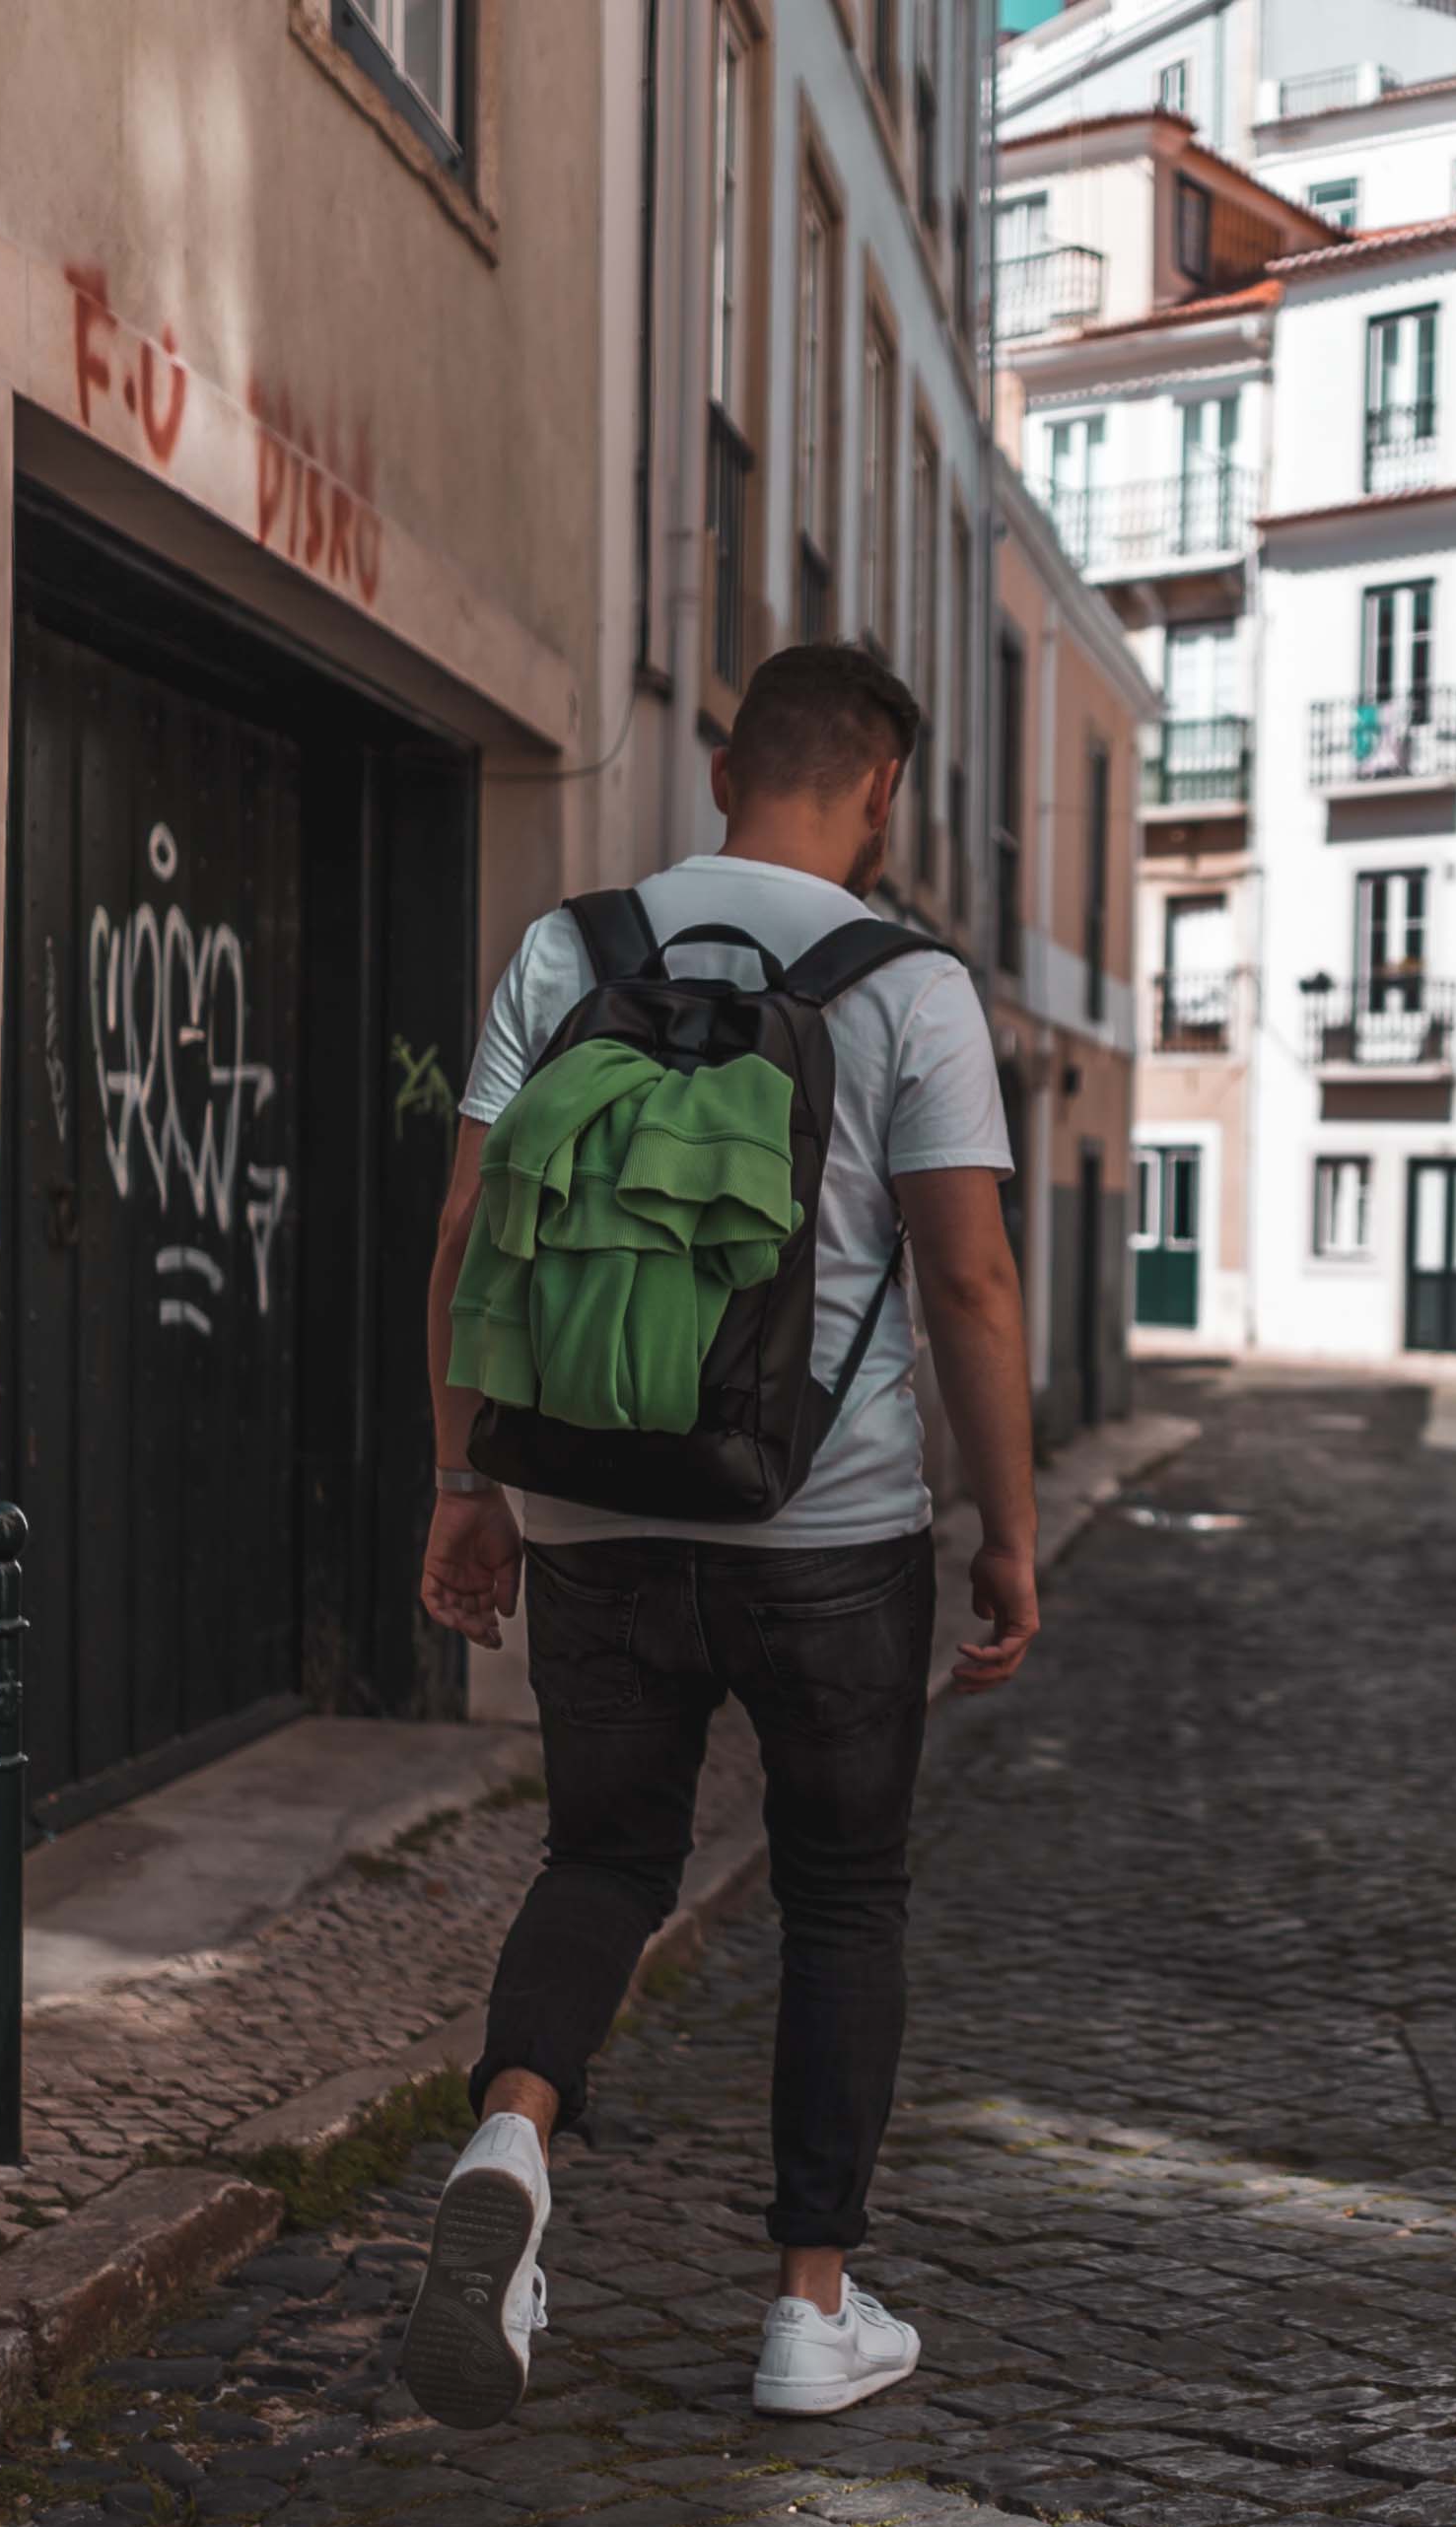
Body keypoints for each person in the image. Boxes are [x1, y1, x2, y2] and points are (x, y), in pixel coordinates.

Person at [406, 641, 1035, 2429]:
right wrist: (1009, 1529)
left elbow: (464, 1233)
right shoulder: (910, 986)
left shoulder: (570, 950)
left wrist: (467, 1484)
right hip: (827, 1529)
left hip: (590, 1509)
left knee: (605, 1859)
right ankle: (808, 2310)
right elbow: (970, 1280)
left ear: (719, 769)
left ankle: (512, 2140)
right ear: (882, 794)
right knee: (841, 1894)